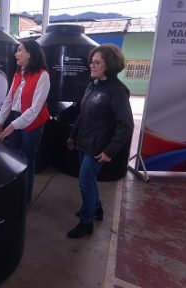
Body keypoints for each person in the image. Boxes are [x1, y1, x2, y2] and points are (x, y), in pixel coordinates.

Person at [66, 44, 134, 238]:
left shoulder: (118, 91)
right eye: (91, 62)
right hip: (84, 142)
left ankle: (86, 222)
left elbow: (126, 125)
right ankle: (96, 207)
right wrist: (73, 136)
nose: (92, 66)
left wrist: (110, 151)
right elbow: (83, 112)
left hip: (98, 148)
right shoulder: (93, 84)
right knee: (89, 179)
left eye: (97, 63)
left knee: (85, 182)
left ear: (110, 65)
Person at [0, 40, 51, 204]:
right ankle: (13, 195)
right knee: (12, 159)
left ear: (30, 53)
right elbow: (9, 99)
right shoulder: (19, 73)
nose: (15, 54)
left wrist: (12, 126)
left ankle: (25, 199)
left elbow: (35, 109)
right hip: (16, 119)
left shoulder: (43, 75)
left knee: (27, 161)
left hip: (31, 123)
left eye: (19, 50)